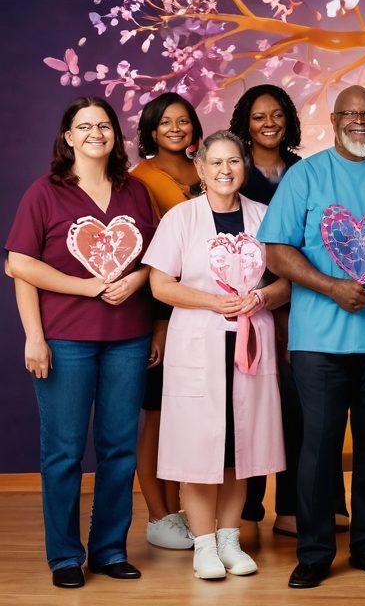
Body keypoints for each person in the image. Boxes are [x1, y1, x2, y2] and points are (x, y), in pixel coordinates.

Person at [258, 86, 365, 589]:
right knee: (318, 448)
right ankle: (314, 552)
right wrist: (330, 286)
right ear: (333, 119)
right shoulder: (306, 175)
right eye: (351, 113)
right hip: (319, 342)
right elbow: (275, 251)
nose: (361, 121)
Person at [6, 97, 156, 588]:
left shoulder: (135, 192)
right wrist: (36, 336)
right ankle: (65, 556)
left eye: (104, 125)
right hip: (65, 340)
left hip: (128, 340)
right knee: (64, 452)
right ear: (68, 137)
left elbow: (155, 260)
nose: (97, 133)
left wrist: (135, 282)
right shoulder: (45, 192)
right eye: (85, 126)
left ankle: (109, 550)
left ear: (115, 134)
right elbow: (19, 265)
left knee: (119, 450)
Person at [144, 131, 291, 580]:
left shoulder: (264, 216)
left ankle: (230, 539)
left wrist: (261, 298)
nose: (226, 170)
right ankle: (204, 544)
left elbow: (286, 282)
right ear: (201, 170)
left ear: (244, 166)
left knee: (239, 446)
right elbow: (160, 285)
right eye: (216, 163)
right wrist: (213, 302)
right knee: (198, 446)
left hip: (249, 342)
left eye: (234, 161)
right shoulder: (181, 219)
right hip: (198, 341)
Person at [229, 85, 350, 537]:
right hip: (249, 302)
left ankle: (298, 508)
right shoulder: (235, 173)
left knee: (305, 407)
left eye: (277, 114)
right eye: (259, 116)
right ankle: (247, 508)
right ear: (245, 123)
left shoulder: (306, 170)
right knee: (255, 404)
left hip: (304, 298)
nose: (269, 123)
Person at [130, 93, 205, 552]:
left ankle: (187, 511)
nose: (176, 128)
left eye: (183, 120)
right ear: (151, 131)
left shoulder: (208, 169)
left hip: (203, 307)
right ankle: (159, 514)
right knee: (157, 415)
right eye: (165, 122)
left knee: (188, 414)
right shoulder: (138, 179)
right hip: (158, 306)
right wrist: (159, 322)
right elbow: (145, 254)